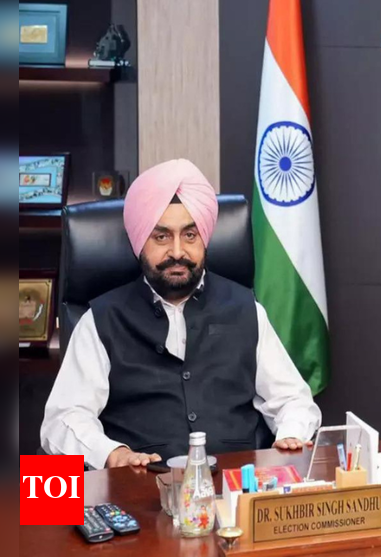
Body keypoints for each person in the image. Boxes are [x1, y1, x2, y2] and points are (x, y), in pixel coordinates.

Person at [41, 159, 321, 469]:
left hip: (234, 487)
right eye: (161, 237)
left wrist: (290, 434)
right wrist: (113, 454)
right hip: (140, 488)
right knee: (38, 491)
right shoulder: (100, 320)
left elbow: (292, 400)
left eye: (190, 235)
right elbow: (63, 419)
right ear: (140, 242)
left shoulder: (246, 310)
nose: (177, 252)